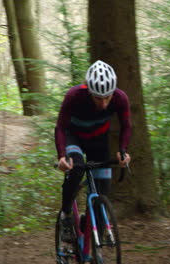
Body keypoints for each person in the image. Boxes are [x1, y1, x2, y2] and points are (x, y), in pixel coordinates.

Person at [54, 60, 131, 242]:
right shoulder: (74, 96)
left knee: (102, 191)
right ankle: (66, 215)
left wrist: (123, 150)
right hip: (74, 137)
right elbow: (60, 128)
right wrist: (62, 156)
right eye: (98, 98)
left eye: (107, 97)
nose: (104, 104)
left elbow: (126, 126)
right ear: (89, 90)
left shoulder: (120, 98)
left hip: (98, 141)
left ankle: (89, 228)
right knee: (76, 169)